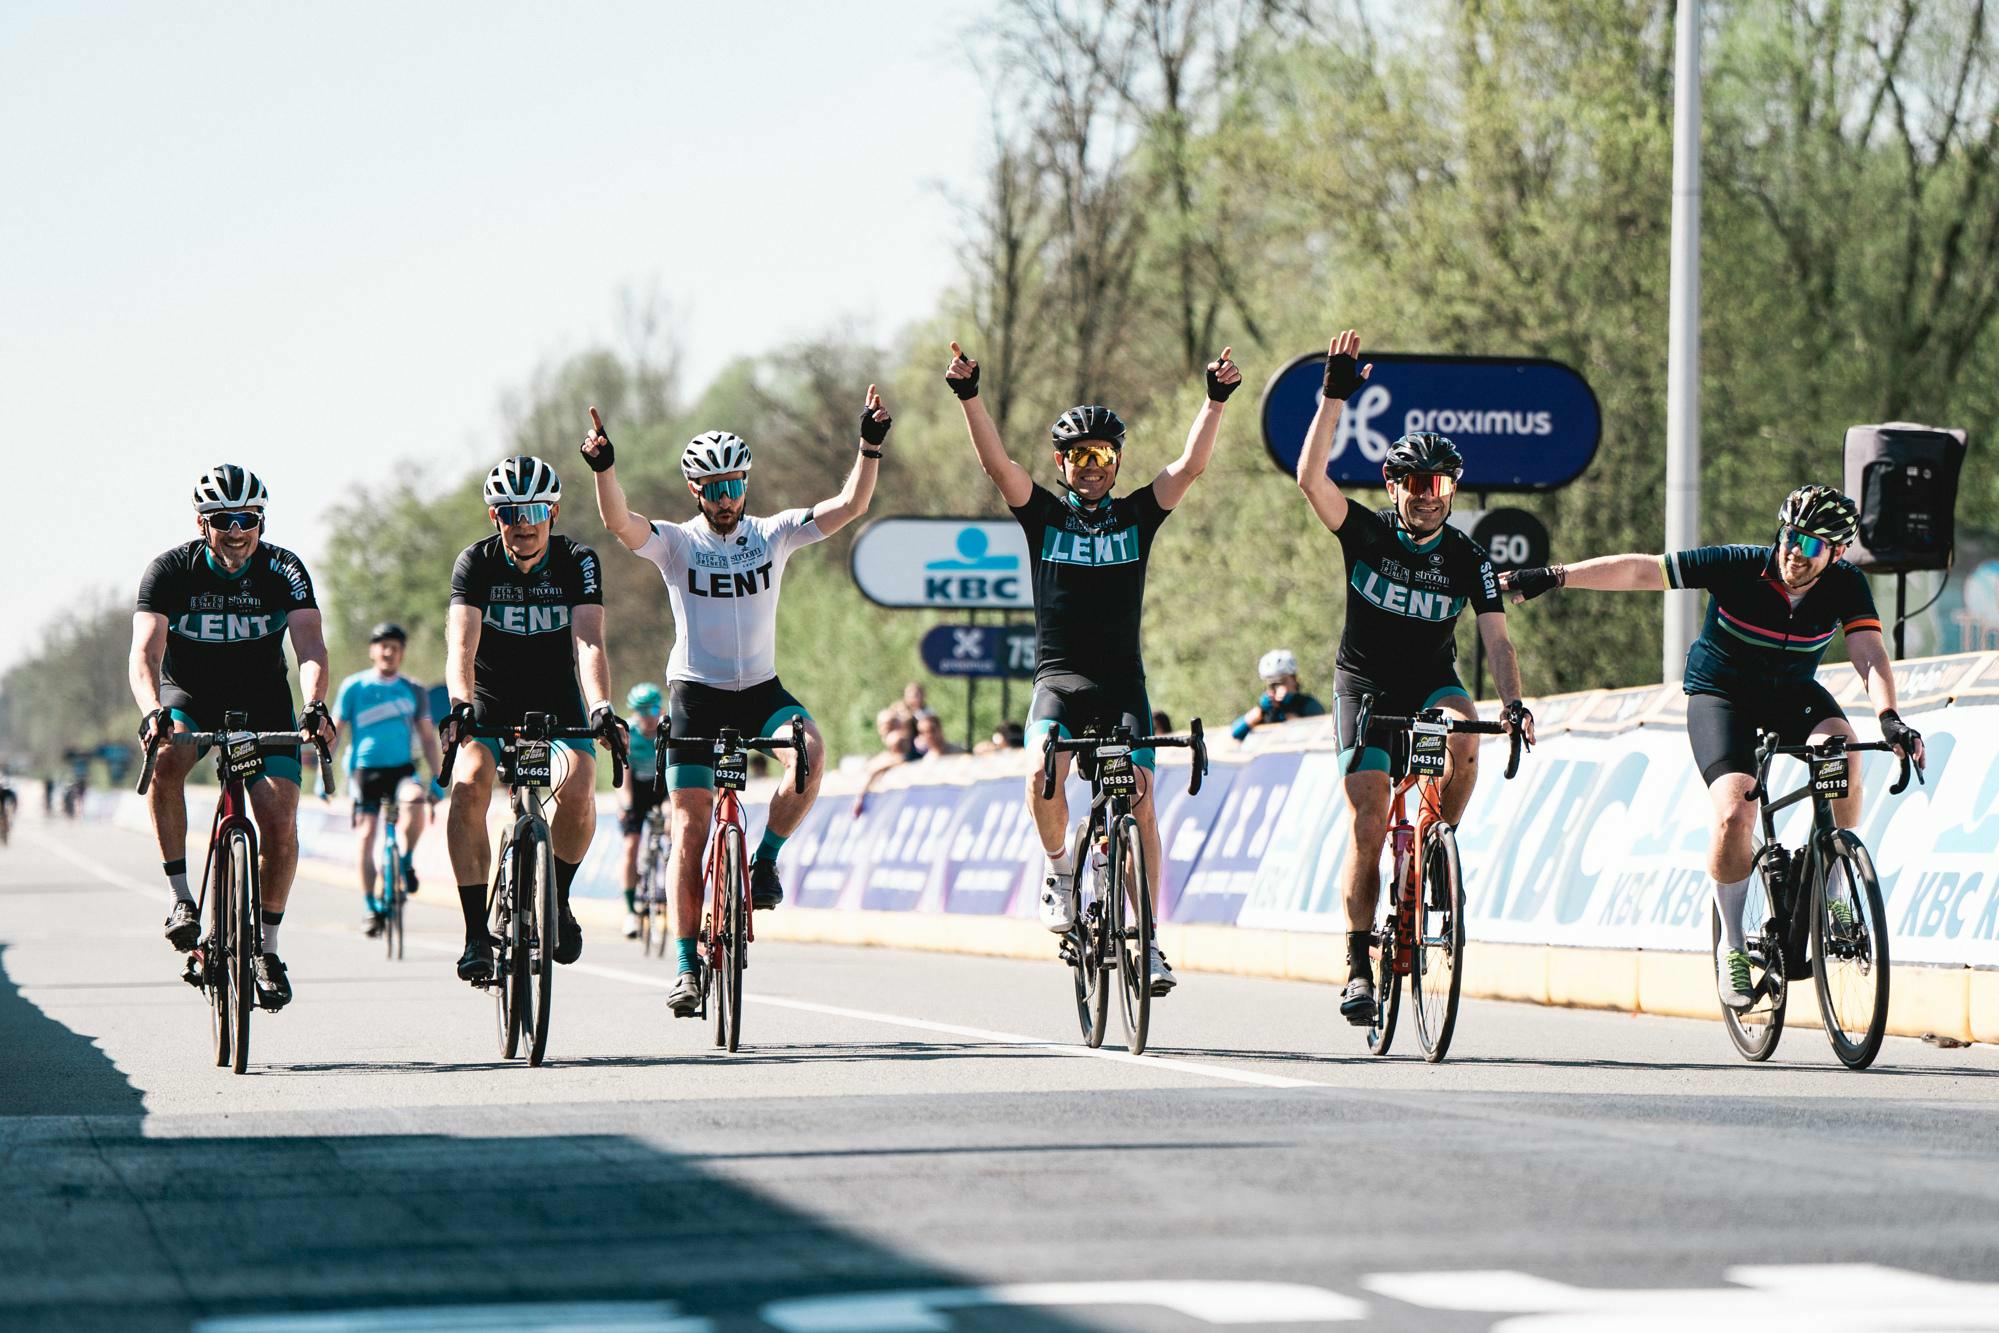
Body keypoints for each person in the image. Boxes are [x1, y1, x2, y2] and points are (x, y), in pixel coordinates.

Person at [1500, 484, 1926, 1010]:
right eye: (1791, 537)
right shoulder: (1739, 566)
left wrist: (1890, 718)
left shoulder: (1846, 585)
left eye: (1813, 546)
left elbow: (1869, 654)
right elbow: (1643, 571)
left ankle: (1834, 878)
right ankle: (1732, 943)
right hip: (1721, 696)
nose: (1795, 553)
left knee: (1845, 750)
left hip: (1792, 693)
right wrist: (1556, 575)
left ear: (1836, 553)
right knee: (1734, 813)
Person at [946, 338, 1241, 997]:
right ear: (1062, 462)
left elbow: (1189, 467)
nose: (1089, 467)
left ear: (1114, 462)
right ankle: (1058, 872)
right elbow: (997, 466)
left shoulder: (1137, 515)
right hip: (1058, 681)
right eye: (1078, 456)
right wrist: (968, 395)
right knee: (1040, 771)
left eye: (1101, 456)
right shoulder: (1043, 516)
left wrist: (1214, 400)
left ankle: (1151, 940)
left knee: (1139, 798)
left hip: (1120, 683)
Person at [583, 390, 887, 1017]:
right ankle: (688, 967)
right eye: (712, 488)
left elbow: (852, 504)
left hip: (761, 692)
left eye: (733, 486)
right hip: (695, 692)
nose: (725, 499)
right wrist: (604, 469)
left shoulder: (774, 533)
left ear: (745, 485)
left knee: (811, 750)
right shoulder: (676, 544)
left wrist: (869, 445)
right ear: (695, 490)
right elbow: (620, 525)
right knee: (690, 829)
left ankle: (766, 860)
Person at [1294, 328, 1535, 1027]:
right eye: (1419, 484)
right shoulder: (1365, 533)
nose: (1432, 497)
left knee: (1468, 731)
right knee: (1368, 823)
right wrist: (1333, 395)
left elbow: (1495, 638)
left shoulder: (1466, 556)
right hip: (1364, 686)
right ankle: (1355, 959)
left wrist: (1513, 705)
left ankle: (1436, 841)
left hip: (1431, 682)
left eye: (1444, 485)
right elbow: (1311, 478)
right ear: (1394, 485)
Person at [129, 465, 334, 1011]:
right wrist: (152, 711)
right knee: (167, 757)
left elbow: (309, 646)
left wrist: (315, 705)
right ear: (203, 523)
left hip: (263, 699)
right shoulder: (170, 570)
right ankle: (180, 899)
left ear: (261, 520)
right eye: (224, 520)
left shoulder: (284, 568)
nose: (237, 530)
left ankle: (266, 948)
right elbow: (145, 653)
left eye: (248, 519)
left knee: (279, 818)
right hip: (189, 696)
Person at [438, 456, 624, 985]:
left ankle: (557, 899)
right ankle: (477, 933)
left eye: (536, 510)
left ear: (554, 512)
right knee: (470, 785)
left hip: (557, 696)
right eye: (511, 511)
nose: (524, 521)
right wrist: (460, 704)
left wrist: (601, 707)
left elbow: (588, 641)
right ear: (494, 517)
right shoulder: (475, 563)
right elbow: (461, 645)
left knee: (582, 782)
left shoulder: (577, 560)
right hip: (492, 696)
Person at [332, 622, 443, 935]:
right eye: (383, 645)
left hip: (401, 769)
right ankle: (370, 904)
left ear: (402, 653)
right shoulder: (354, 687)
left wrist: (437, 777)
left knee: (415, 801)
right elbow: (337, 732)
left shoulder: (414, 689)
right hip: (365, 772)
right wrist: (323, 776)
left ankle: (405, 859)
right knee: (367, 836)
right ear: (372, 651)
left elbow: (427, 736)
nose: (388, 651)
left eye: (395, 646)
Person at [618, 681, 668, 938]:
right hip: (636, 790)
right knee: (631, 846)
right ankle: (630, 912)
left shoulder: (668, 730)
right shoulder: (630, 733)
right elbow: (624, 775)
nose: (648, 718)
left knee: (672, 824)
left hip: (663, 789)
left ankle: (666, 879)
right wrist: (625, 804)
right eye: (641, 712)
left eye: (652, 711)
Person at [1230, 649, 1328, 741]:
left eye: (1282, 681)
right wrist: (1260, 710)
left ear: (1294, 679)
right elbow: (1235, 733)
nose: (1276, 688)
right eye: (1272, 684)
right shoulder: (1265, 710)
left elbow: (1317, 734)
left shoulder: (1308, 704)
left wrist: (1286, 711)